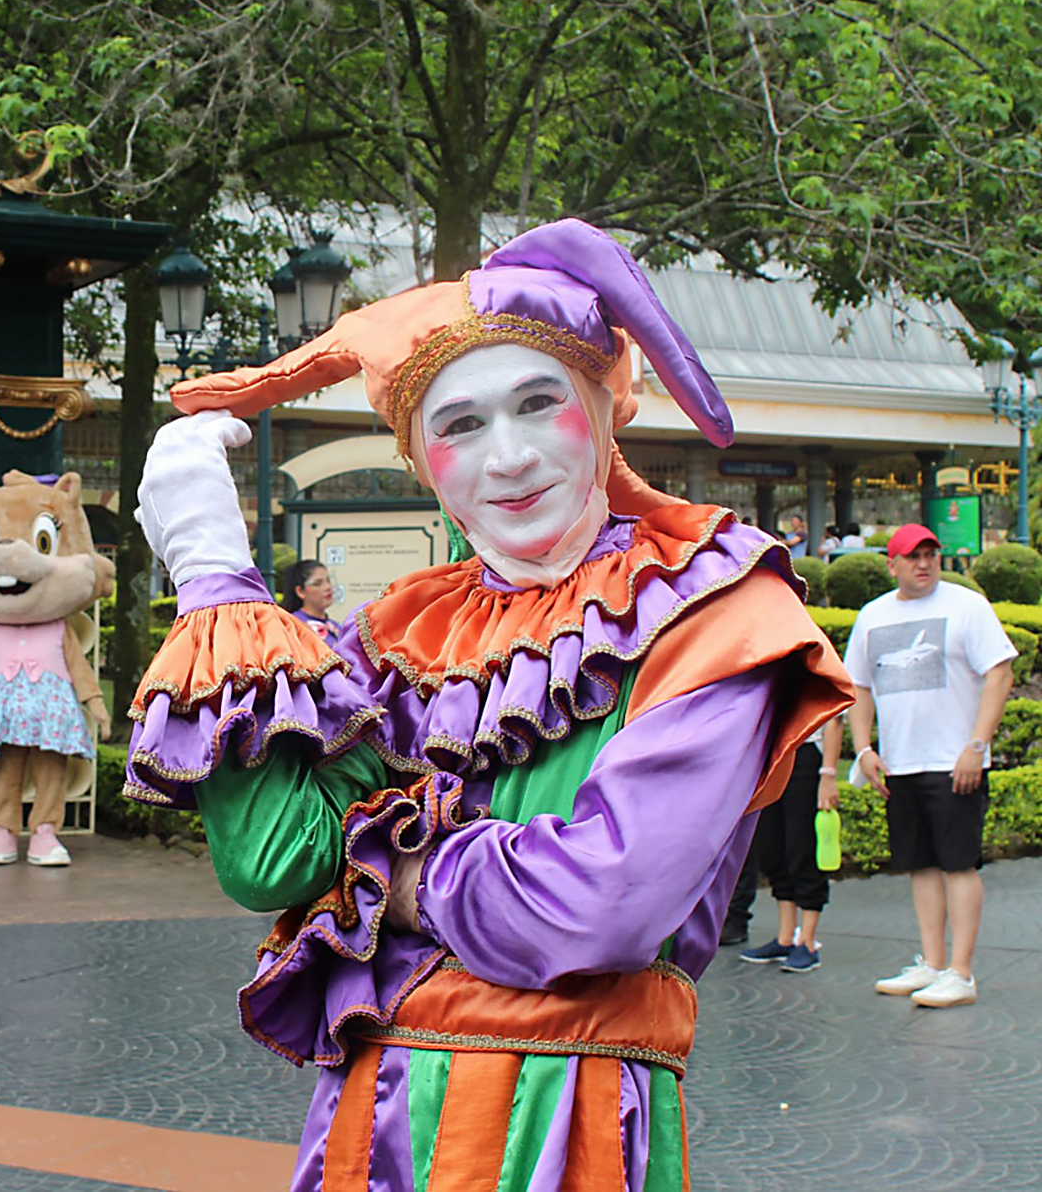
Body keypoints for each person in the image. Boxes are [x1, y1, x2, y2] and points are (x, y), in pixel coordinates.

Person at [125, 219, 851, 1188]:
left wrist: (395, 871)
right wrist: (218, 584)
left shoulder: (715, 609)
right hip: (370, 1115)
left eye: (538, 403)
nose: (505, 457)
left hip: (567, 1117)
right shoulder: (397, 633)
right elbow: (274, 863)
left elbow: (600, 908)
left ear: (601, 410)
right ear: (425, 463)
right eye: (460, 425)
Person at [847, 523, 1014, 1008]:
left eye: (931, 554)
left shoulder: (967, 607)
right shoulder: (873, 616)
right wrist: (863, 748)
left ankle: (961, 972)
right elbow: (858, 685)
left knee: (959, 865)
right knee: (920, 865)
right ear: (891, 564)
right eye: (912, 556)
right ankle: (933, 963)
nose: (924, 563)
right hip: (901, 762)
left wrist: (976, 746)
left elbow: (999, 674)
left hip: (953, 761)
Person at [738, 719, 842, 971]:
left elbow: (835, 720)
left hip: (806, 755)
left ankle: (807, 941)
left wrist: (827, 774)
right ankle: (785, 938)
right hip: (773, 756)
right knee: (772, 849)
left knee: (802, 847)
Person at [279, 559, 342, 645]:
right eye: (317, 583)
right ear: (300, 591)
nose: (328, 587)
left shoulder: (335, 627)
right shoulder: (293, 625)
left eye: (328, 581)